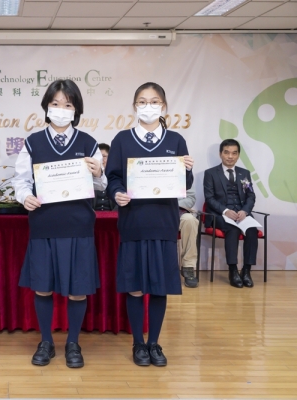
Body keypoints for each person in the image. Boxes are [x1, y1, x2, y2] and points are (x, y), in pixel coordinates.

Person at [12, 79, 107, 369]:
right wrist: (25, 196)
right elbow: (20, 180)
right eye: (55, 104)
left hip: (79, 226)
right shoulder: (33, 142)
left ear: (76, 109)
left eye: (67, 104)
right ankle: (46, 342)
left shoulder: (89, 142)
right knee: (43, 287)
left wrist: (98, 172)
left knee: (78, 289)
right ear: (46, 107)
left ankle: (73, 342)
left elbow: (101, 185)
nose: (61, 109)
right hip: (44, 225)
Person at [106, 82, 194, 367]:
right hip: (133, 222)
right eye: (142, 101)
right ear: (135, 106)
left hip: (163, 223)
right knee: (134, 287)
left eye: (154, 101)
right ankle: (138, 343)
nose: (148, 106)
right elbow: (113, 177)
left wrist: (187, 170)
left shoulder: (176, 140)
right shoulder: (122, 139)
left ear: (163, 106)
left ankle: (154, 343)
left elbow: (184, 183)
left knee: (159, 287)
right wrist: (117, 193)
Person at [203, 139, 257, 289]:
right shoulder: (210, 173)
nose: (230, 156)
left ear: (238, 155)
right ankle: (233, 270)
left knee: (252, 230)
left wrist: (245, 211)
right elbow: (209, 198)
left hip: (241, 214)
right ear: (221, 154)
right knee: (232, 229)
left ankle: (246, 271)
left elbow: (250, 195)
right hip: (220, 215)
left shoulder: (244, 174)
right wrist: (226, 211)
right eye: (227, 153)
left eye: (234, 153)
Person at [178, 186, 199, 288]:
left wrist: (172, 205)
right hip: (156, 211)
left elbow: (190, 198)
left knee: (190, 220)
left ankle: (188, 266)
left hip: (178, 210)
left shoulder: (184, 176)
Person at [93, 143, 116, 211]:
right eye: (98, 156)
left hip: (113, 215)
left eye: (104, 156)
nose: (101, 159)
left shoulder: (115, 176)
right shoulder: (88, 178)